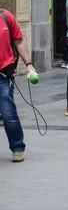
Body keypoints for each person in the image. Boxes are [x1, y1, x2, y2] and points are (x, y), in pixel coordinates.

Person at [0, 8, 38, 162]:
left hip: (2, 73)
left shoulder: (5, 17)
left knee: (8, 113)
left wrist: (28, 64)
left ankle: (17, 147)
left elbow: (19, 40)